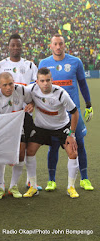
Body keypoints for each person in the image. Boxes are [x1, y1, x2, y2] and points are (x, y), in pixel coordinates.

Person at [39, 34, 94, 191]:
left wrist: (88, 104)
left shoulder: (75, 62)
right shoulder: (44, 63)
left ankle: (84, 179)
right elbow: (37, 85)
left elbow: (82, 84)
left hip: (73, 112)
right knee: (54, 146)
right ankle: (51, 180)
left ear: (65, 45)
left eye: (60, 44)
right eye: (55, 44)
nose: (58, 47)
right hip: (54, 114)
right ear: (50, 46)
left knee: (80, 144)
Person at [0, 33, 41, 191]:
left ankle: (29, 181)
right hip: (6, 116)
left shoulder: (30, 65)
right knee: (0, 152)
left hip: (23, 114)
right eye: (12, 45)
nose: (15, 48)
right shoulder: (0, 65)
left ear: (22, 46)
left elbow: (34, 91)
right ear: (8, 47)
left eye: (18, 45)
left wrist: (32, 104)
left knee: (25, 150)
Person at [25, 67, 79, 198]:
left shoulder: (61, 94)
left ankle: (71, 187)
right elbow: (16, 89)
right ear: (37, 81)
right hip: (41, 127)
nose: (45, 83)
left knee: (73, 152)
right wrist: (31, 102)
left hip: (61, 126)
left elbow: (75, 113)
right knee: (30, 151)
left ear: (52, 80)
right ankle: (33, 186)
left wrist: (72, 135)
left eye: (48, 80)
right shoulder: (31, 89)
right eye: (42, 81)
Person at [0, 72, 34, 199]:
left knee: (20, 154)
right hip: (1, 129)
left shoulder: (21, 90)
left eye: (11, 84)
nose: (9, 87)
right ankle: (0, 186)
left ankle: (13, 186)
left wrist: (32, 105)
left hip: (18, 128)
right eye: (5, 85)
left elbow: (32, 100)